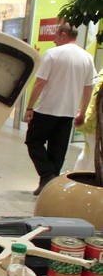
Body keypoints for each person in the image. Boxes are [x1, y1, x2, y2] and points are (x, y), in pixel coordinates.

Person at [24, 22, 95, 195]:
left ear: (63, 34)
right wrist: (82, 111)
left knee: (33, 141)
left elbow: (40, 82)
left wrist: (30, 107)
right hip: (68, 112)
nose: (54, 40)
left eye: (56, 35)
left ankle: (47, 176)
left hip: (47, 108)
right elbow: (88, 87)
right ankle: (49, 184)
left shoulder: (53, 54)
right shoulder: (86, 57)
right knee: (58, 149)